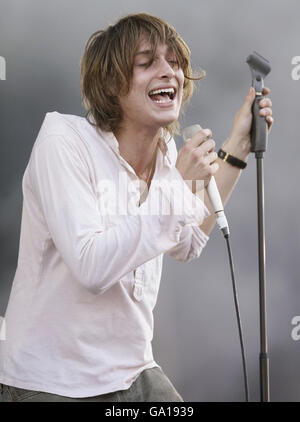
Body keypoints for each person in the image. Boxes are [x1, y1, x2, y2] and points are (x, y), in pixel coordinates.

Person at [0, 12, 273, 402]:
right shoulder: (63, 140)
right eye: (147, 63)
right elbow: (92, 266)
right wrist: (178, 186)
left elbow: (188, 241)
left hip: (132, 372)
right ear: (112, 84)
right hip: (52, 380)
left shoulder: (166, 155)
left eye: (175, 63)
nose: (169, 72)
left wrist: (239, 146)